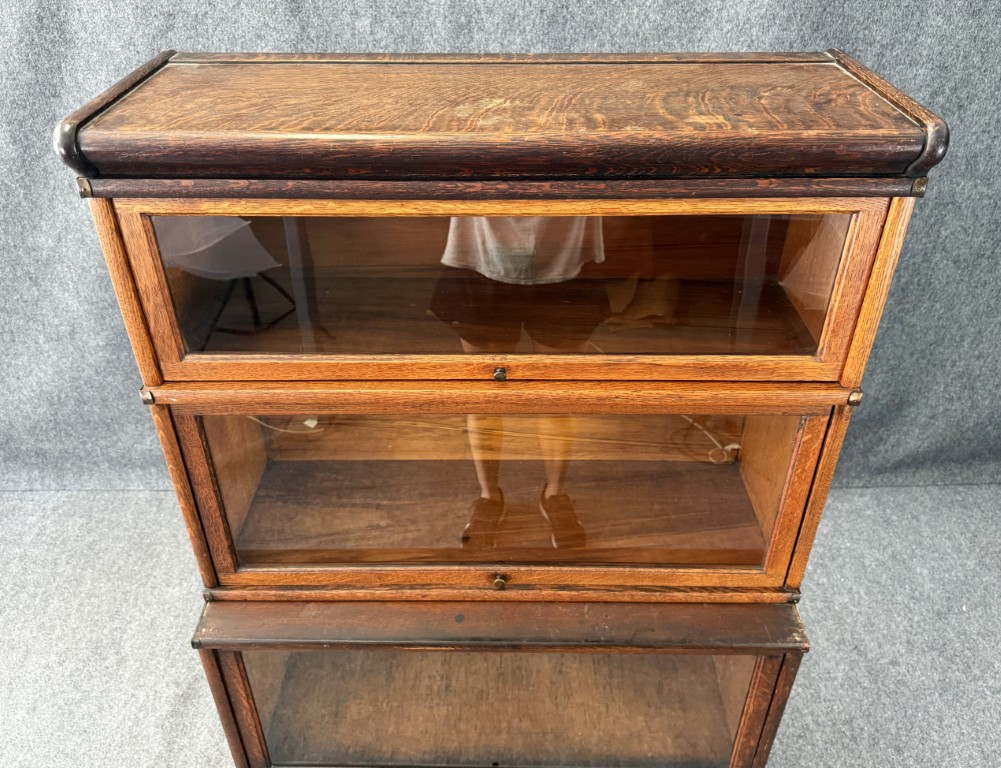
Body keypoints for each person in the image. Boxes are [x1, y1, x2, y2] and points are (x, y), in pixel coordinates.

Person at [430, 216, 608, 549]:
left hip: (565, 257)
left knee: (556, 394)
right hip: (481, 258)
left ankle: (555, 494)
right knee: (485, 394)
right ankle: (488, 497)